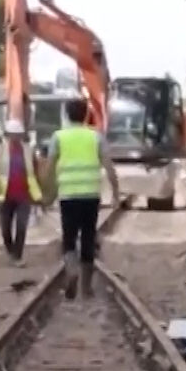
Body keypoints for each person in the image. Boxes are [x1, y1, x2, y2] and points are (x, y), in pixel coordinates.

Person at [43, 98, 120, 297]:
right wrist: (116, 193)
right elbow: (109, 167)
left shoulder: (58, 137)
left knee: (68, 239)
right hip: (90, 195)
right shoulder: (96, 137)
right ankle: (86, 289)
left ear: (67, 115)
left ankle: (71, 271)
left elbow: (49, 169)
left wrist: (46, 195)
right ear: (86, 114)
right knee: (88, 239)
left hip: (68, 196)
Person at [0, 119, 37, 263]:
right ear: (8, 135)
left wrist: (37, 191)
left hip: (24, 195)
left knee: (21, 226)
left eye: (18, 134)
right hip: (5, 195)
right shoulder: (0, 150)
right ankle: (10, 250)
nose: (15, 137)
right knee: (5, 228)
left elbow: (35, 170)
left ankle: (17, 256)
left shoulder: (28, 150)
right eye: (13, 134)